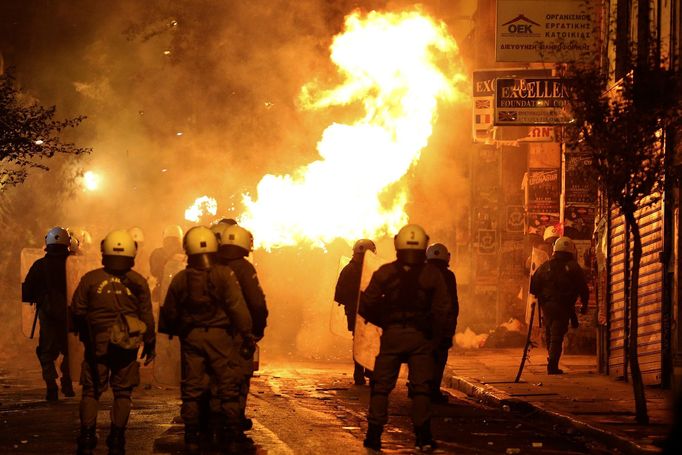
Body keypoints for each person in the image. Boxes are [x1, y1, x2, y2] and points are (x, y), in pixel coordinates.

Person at [158, 226, 254, 454]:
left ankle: (192, 435)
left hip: (191, 338)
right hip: (221, 337)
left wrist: (175, 331)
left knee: (192, 388)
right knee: (227, 387)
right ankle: (230, 434)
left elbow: (169, 312)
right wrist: (247, 334)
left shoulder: (182, 278)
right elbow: (237, 307)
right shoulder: (224, 275)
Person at [359, 224, 452, 452]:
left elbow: (366, 304)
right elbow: (443, 310)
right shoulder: (433, 275)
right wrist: (437, 338)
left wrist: (386, 321)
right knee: (421, 388)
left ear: (397, 244)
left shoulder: (385, 272)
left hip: (392, 336)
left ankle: (374, 435)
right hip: (420, 338)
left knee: (381, 388)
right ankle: (423, 437)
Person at [71, 230, 156, 455]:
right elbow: (146, 316)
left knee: (91, 391)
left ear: (103, 251)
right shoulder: (138, 282)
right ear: (133, 253)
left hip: (95, 344)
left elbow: (77, 310)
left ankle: (88, 435)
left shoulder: (91, 279)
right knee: (123, 393)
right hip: (126, 346)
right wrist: (150, 343)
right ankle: (117, 437)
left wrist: (86, 332)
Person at [213, 223, 268, 431]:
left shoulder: (210, 264)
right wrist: (257, 329)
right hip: (237, 332)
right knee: (239, 376)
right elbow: (256, 302)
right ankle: (234, 420)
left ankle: (213, 417)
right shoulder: (244, 268)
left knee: (214, 374)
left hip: (212, 331)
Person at [22, 226, 74, 401]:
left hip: (48, 314)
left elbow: (26, 292)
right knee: (71, 350)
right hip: (70, 314)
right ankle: (67, 382)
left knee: (45, 351)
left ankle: (51, 385)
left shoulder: (39, 265)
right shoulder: (73, 264)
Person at [530, 236, 589, 375]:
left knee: (551, 333)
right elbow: (583, 288)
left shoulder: (546, 266)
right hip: (563, 306)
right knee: (557, 335)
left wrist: (541, 298)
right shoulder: (573, 267)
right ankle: (552, 365)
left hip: (547, 307)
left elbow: (533, 287)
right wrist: (584, 305)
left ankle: (551, 360)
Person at [334, 238, 376, 385]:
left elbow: (338, 293)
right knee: (371, 341)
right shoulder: (373, 271)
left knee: (359, 341)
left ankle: (359, 372)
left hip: (355, 312)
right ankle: (370, 371)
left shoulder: (348, 269)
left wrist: (350, 304)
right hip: (370, 313)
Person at [425, 243, 459, 403]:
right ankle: (433, 391)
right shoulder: (448, 276)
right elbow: (453, 303)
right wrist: (451, 325)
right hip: (440, 324)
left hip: (421, 325)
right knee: (439, 357)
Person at [149, 224, 183, 301]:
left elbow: (154, 271)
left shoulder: (157, 253)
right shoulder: (185, 253)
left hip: (165, 296)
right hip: (177, 295)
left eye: (174, 241)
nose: (172, 243)